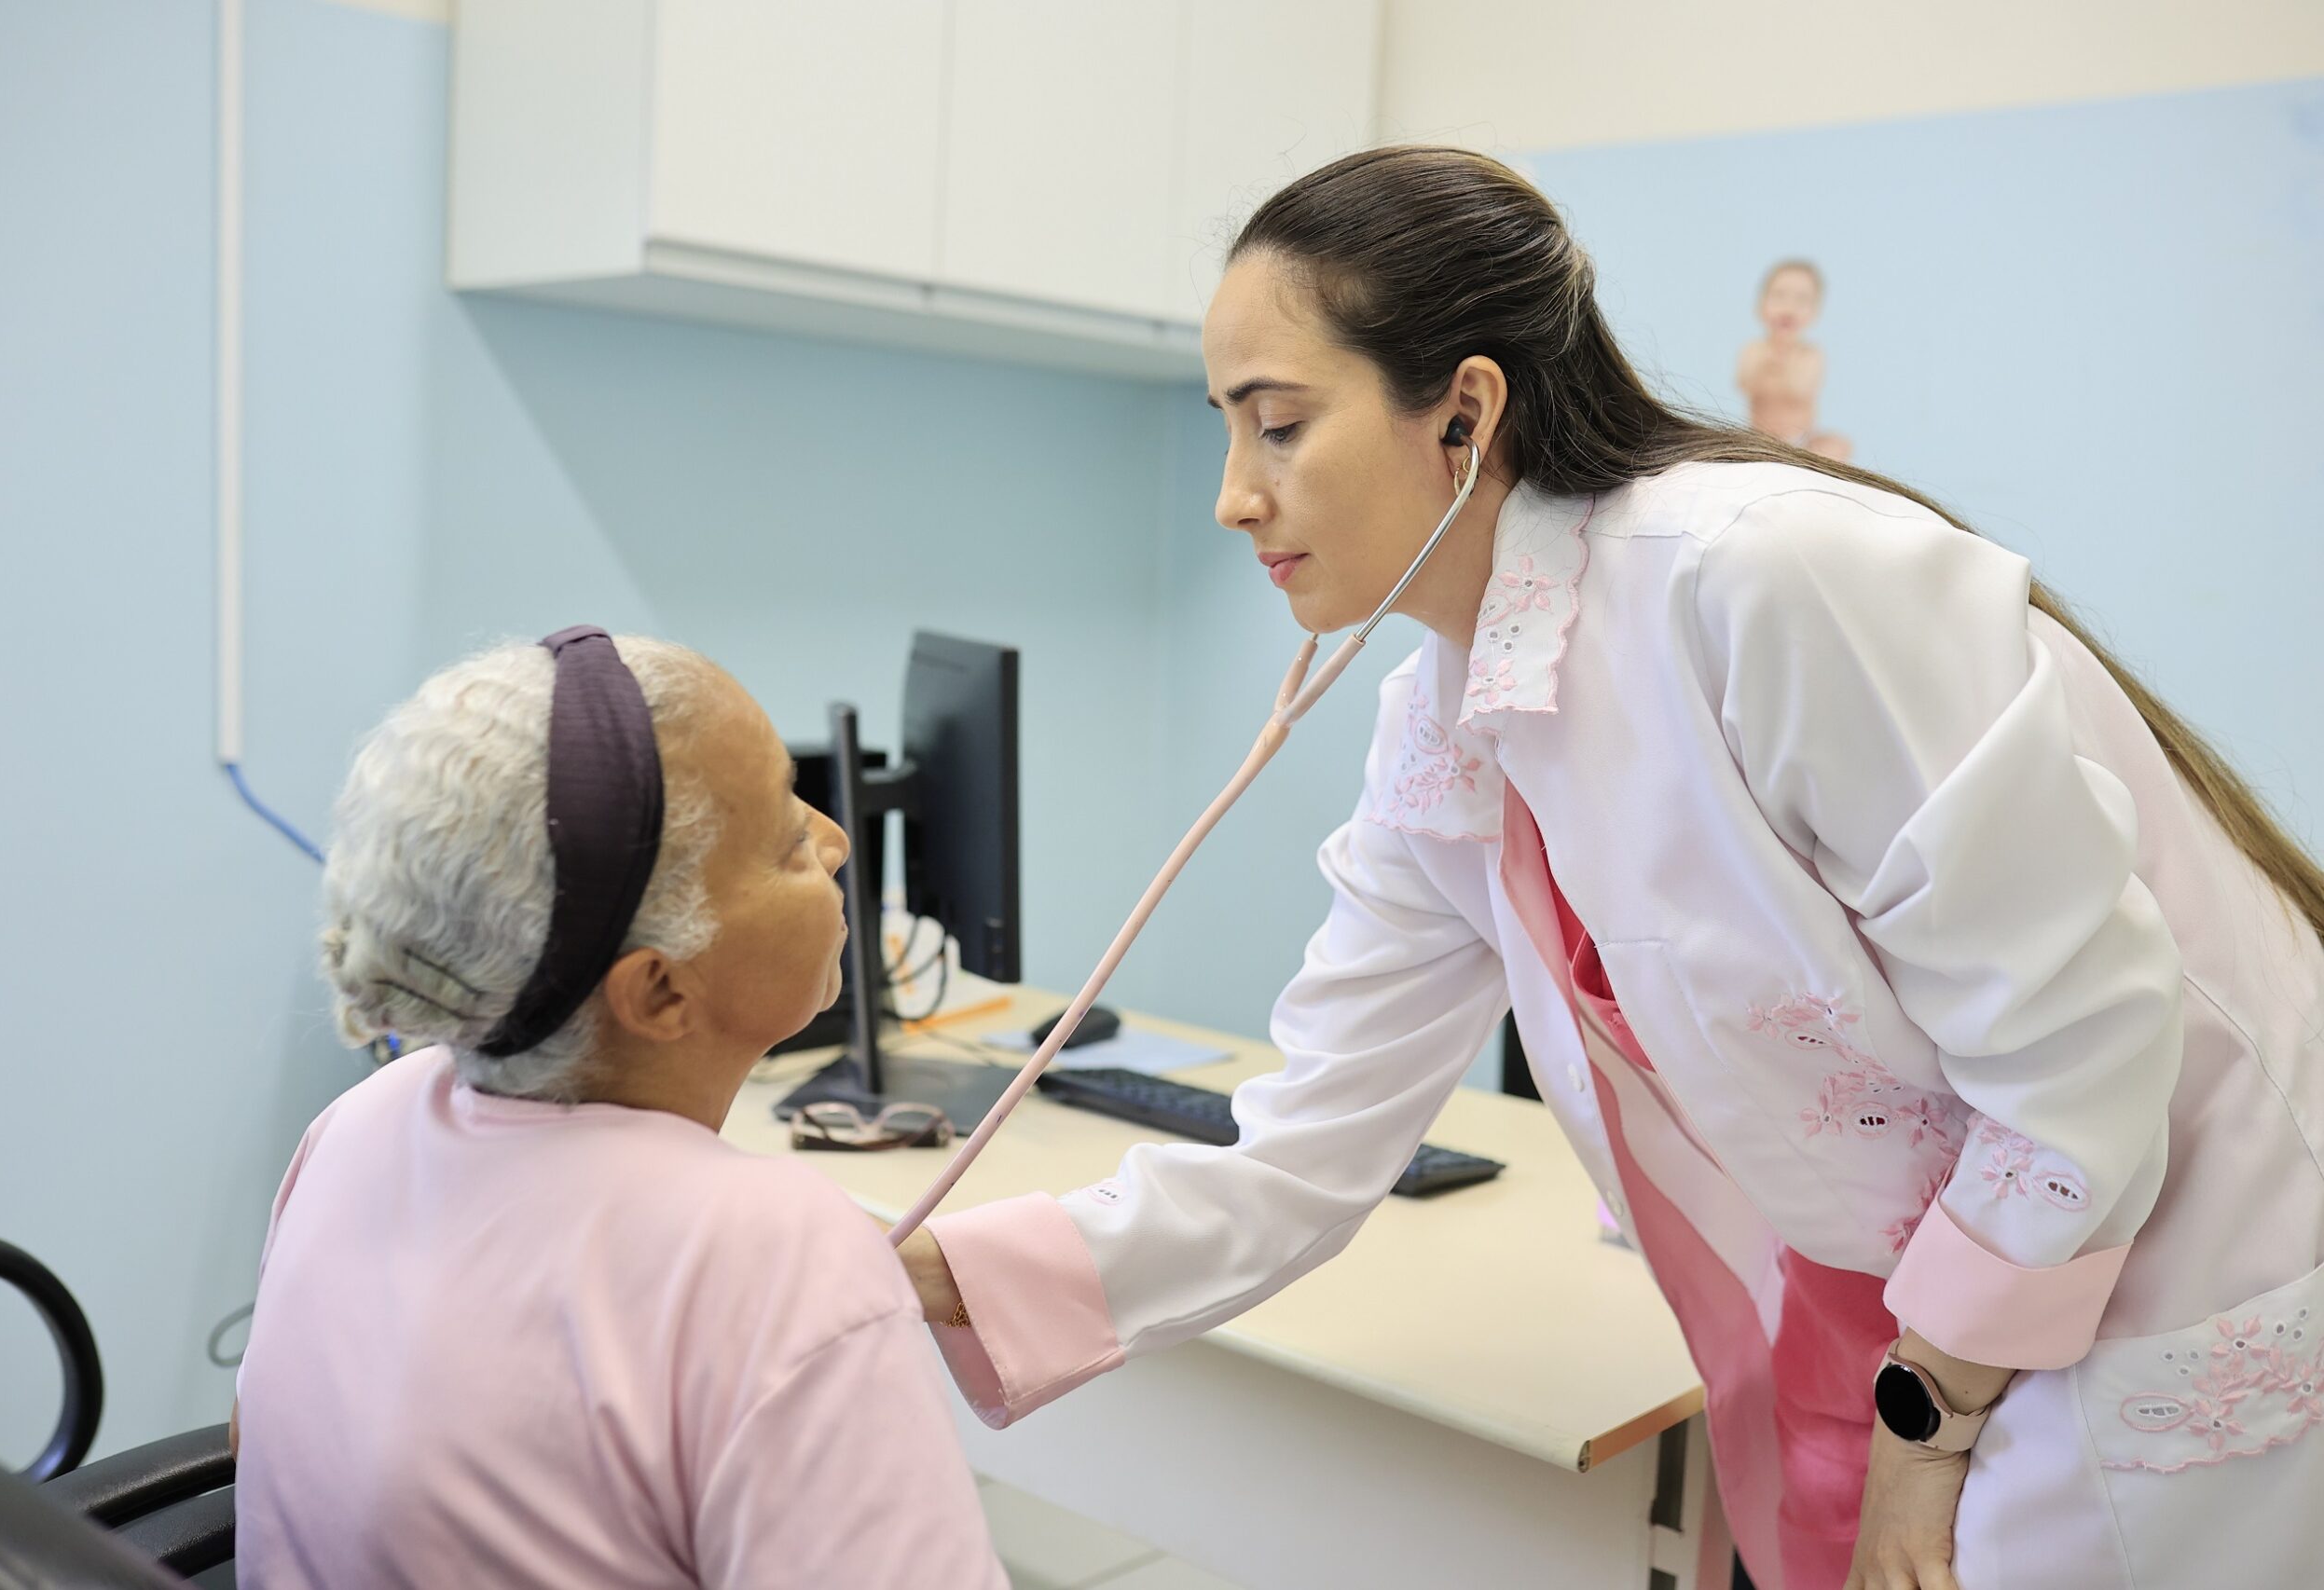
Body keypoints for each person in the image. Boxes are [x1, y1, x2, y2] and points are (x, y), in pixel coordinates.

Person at [896, 148, 2324, 1590]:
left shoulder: (1760, 580)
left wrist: (1926, 1425)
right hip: (1930, 1305)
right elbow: (1308, 1147)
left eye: (1277, 426)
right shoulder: (1442, 725)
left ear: (1464, 411)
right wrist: (921, 1272)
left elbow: (2080, 1054)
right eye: (1226, 431)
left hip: (2179, 1251)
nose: (1231, 497)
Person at [232, 632, 1006, 1590]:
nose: (835, 841)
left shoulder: (364, 1119)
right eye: (783, 841)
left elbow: (256, 1455)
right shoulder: (767, 1251)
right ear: (660, 991)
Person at [1738, 259, 1851, 461]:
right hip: (1759, 437)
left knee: (1837, 445)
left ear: (1814, 313)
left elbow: (1799, 390)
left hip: (1802, 441)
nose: (1789, 307)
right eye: (1779, 296)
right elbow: (1745, 384)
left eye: (1801, 300)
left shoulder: (1811, 354)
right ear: (1761, 306)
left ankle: (1803, 461)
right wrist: (1767, 361)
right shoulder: (1754, 350)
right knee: (1729, 444)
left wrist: (1783, 359)